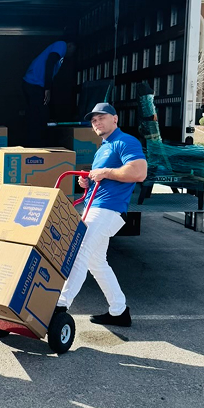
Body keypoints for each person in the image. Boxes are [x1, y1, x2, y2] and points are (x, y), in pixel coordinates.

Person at [55, 103, 147, 327]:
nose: (96, 122)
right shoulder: (104, 147)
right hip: (94, 206)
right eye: (93, 120)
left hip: (108, 209)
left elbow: (139, 172)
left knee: (80, 251)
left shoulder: (126, 141)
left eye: (101, 118)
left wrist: (105, 172)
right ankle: (119, 311)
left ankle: (60, 305)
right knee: (97, 262)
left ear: (115, 119)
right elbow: (105, 178)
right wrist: (87, 181)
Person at [22, 41, 75, 147]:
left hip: (35, 84)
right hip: (34, 83)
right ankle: (35, 145)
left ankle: (35, 143)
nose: (72, 53)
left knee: (38, 114)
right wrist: (47, 88)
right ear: (70, 45)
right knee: (39, 115)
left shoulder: (61, 55)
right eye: (74, 49)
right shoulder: (61, 45)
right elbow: (50, 62)